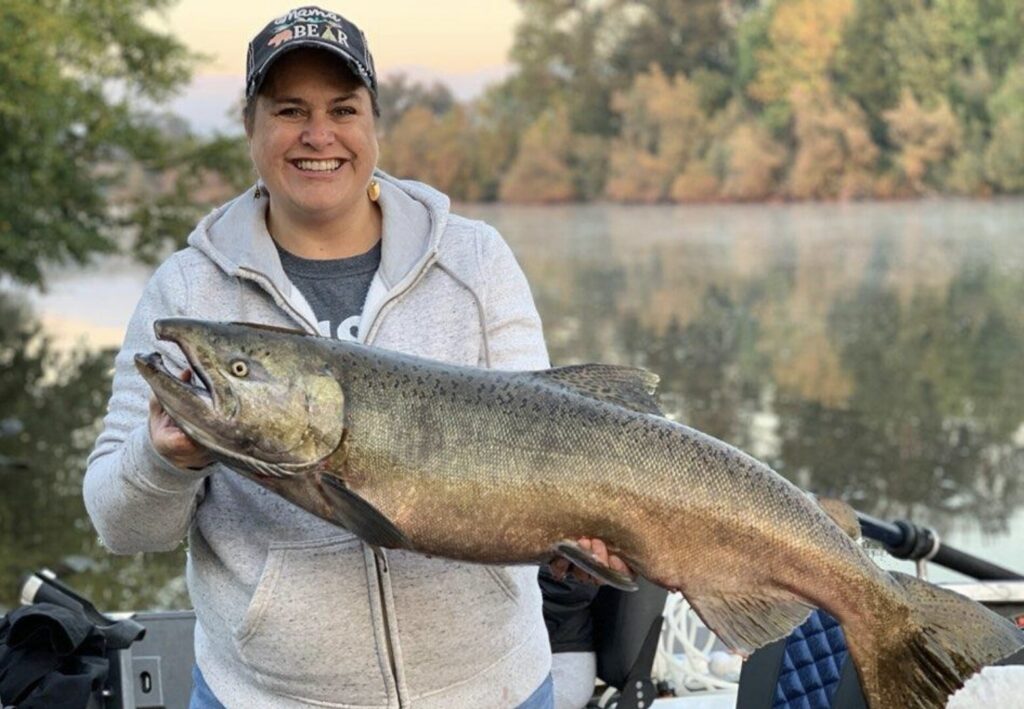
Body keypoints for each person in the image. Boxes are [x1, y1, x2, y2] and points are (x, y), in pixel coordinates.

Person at [83, 6, 629, 708]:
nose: (319, 135)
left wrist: (581, 544)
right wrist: (166, 460)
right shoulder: (188, 287)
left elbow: (549, 433)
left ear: (374, 122)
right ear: (251, 125)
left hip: (491, 688)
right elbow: (119, 525)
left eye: (343, 108)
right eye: (289, 110)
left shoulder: (475, 259)